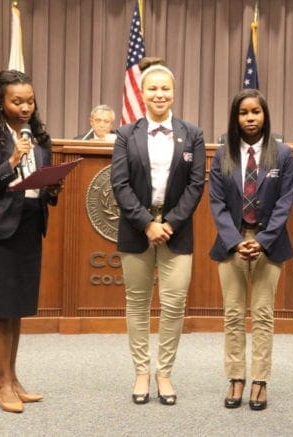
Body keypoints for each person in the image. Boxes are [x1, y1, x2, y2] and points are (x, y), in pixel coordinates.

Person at [110, 59, 206, 406]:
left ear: (174, 93)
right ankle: (140, 371)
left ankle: (164, 373)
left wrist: (170, 223)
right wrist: (147, 223)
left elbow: (196, 185)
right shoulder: (125, 134)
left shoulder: (192, 134)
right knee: (137, 303)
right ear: (142, 92)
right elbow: (119, 184)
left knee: (174, 303)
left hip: (176, 230)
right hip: (137, 229)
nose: (159, 94)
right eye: (153, 88)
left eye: (165, 88)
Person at [0, 70, 63, 413]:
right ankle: (3, 381)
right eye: (17, 101)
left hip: (29, 225)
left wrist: (52, 188)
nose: (25, 107)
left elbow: (40, 185)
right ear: (2, 102)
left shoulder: (40, 138)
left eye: (30, 100)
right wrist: (11, 161)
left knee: (18, 307)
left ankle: (12, 376)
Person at [209, 89, 293, 411]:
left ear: (265, 115)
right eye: (244, 113)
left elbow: (285, 204)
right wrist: (236, 241)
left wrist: (261, 241)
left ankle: (260, 380)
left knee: (262, 315)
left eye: (255, 112)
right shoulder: (223, 155)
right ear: (236, 118)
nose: (250, 118)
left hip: (268, 244)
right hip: (231, 243)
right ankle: (236, 377)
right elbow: (217, 203)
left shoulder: (283, 155)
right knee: (233, 314)